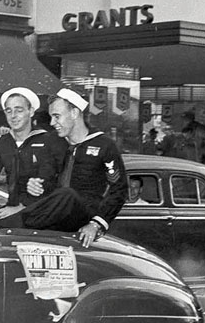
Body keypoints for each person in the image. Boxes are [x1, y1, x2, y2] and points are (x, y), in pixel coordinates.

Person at [17, 89, 129, 248]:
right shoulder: (53, 143)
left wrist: (96, 224)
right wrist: (34, 185)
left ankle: (1, 226)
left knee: (67, 195)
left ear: (75, 113)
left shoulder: (104, 145)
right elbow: (46, 180)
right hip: (56, 215)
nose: (52, 123)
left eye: (57, 116)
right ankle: (3, 226)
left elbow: (119, 189)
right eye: (51, 117)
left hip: (83, 216)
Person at [0, 87, 67, 229]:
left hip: (40, 212)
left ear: (30, 112)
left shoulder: (49, 140)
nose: (13, 116)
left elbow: (55, 182)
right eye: (9, 111)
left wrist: (22, 207)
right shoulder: (3, 142)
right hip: (11, 209)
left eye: (19, 110)